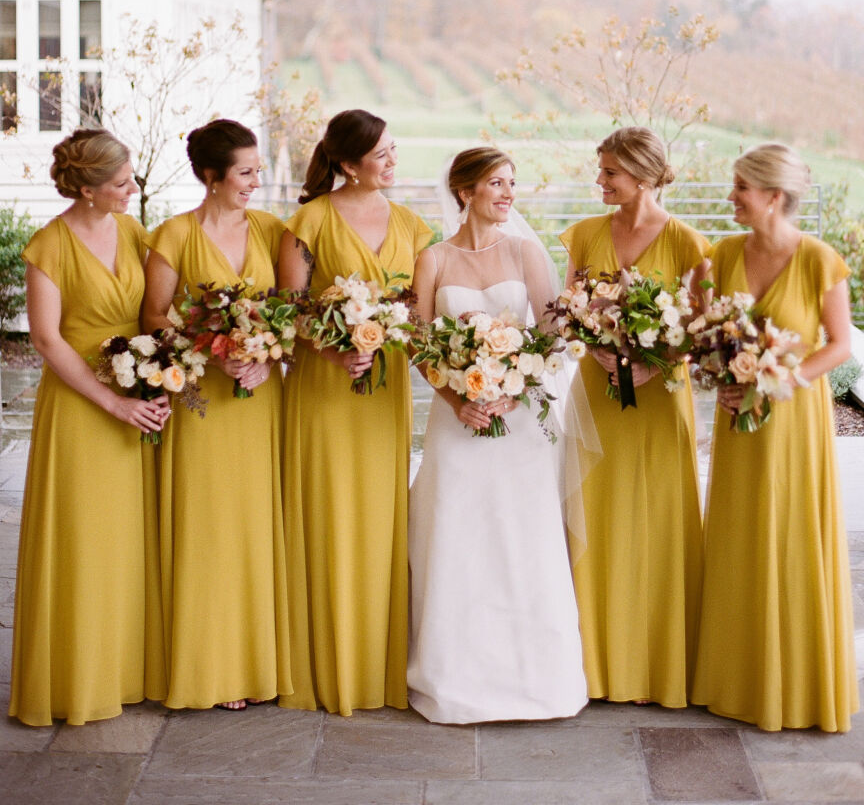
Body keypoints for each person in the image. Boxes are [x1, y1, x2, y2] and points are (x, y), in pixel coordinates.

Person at [408, 146, 591, 723]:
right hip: (457, 421)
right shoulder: (432, 258)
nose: (509, 194)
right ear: (465, 192)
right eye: (496, 183)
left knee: (522, 538)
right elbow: (417, 344)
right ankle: (453, 679)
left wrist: (516, 386)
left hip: (522, 424)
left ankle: (540, 680)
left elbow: (551, 335)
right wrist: (458, 397)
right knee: (457, 537)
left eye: (512, 183)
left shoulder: (525, 251)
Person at [691, 144, 858, 731]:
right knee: (740, 533)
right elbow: (702, 327)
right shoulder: (720, 254)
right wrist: (720, 375)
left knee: (789, 532)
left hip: (793, 418)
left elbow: (839, 344)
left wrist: (780, 378)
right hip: (739, 416)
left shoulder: (819, 259)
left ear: (774, 196)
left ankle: (799, 683)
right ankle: (735, 678)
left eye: (740, 187)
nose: (731, 196)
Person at [9, 128, 169, 726]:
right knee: (80, 541)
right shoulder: (48, 246)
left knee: (126, 541)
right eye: (122, 184)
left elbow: (155, 309)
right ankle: (74, 681)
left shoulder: (132, 231)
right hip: (81, 407)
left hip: (134, 398)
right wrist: (112, 401)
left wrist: (165, 375)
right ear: (87, 188)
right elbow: (48, 340)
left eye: (132, 180)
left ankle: (124, 672)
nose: (133, 191)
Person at [277, 109, 431, 716]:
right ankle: (316, 667)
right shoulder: (308, 221)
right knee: (324, 513)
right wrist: (336, 347)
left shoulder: (415, 226)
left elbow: (418, 321)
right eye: (382, 154)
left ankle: (376, 666)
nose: (394, 162)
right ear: (346, 164)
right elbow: (289, 310)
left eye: (396, 150)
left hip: (384, 394)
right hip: (323, 391)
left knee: (378, 520)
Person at [142, 119, 290, 712]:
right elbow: (153, 316)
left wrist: (265, 354)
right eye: (246, 172)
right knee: (208, 529)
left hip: (259, 399)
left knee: (253, 525)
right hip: (202, 402)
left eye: (258, 170)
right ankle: (212, 665)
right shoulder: (173, 234)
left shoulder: (275, 230)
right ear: (211, 176)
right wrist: (214, 350)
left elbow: (288, 310)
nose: (258, 181)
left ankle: (255, 663)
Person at [559, 126, 709, 709]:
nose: (599, 182)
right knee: (592, 517)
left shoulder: (688, 243)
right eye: (599, 171)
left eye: (609, 174)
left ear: (643, 176)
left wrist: (659, 361)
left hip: (660, 397)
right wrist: (592, 344)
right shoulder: (585, 234)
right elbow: (568, 309)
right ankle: (591, 666)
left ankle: (659, 665)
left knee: (658, 521)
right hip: (595, 393)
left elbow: (701, 325)